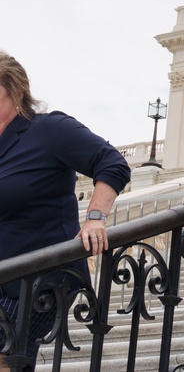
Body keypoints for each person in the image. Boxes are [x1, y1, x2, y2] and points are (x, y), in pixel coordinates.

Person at [0, 52, 131, 371]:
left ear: (14, 91)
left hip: (38, 278)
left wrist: (95, 218)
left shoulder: (48, 129)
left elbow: (112, 163)